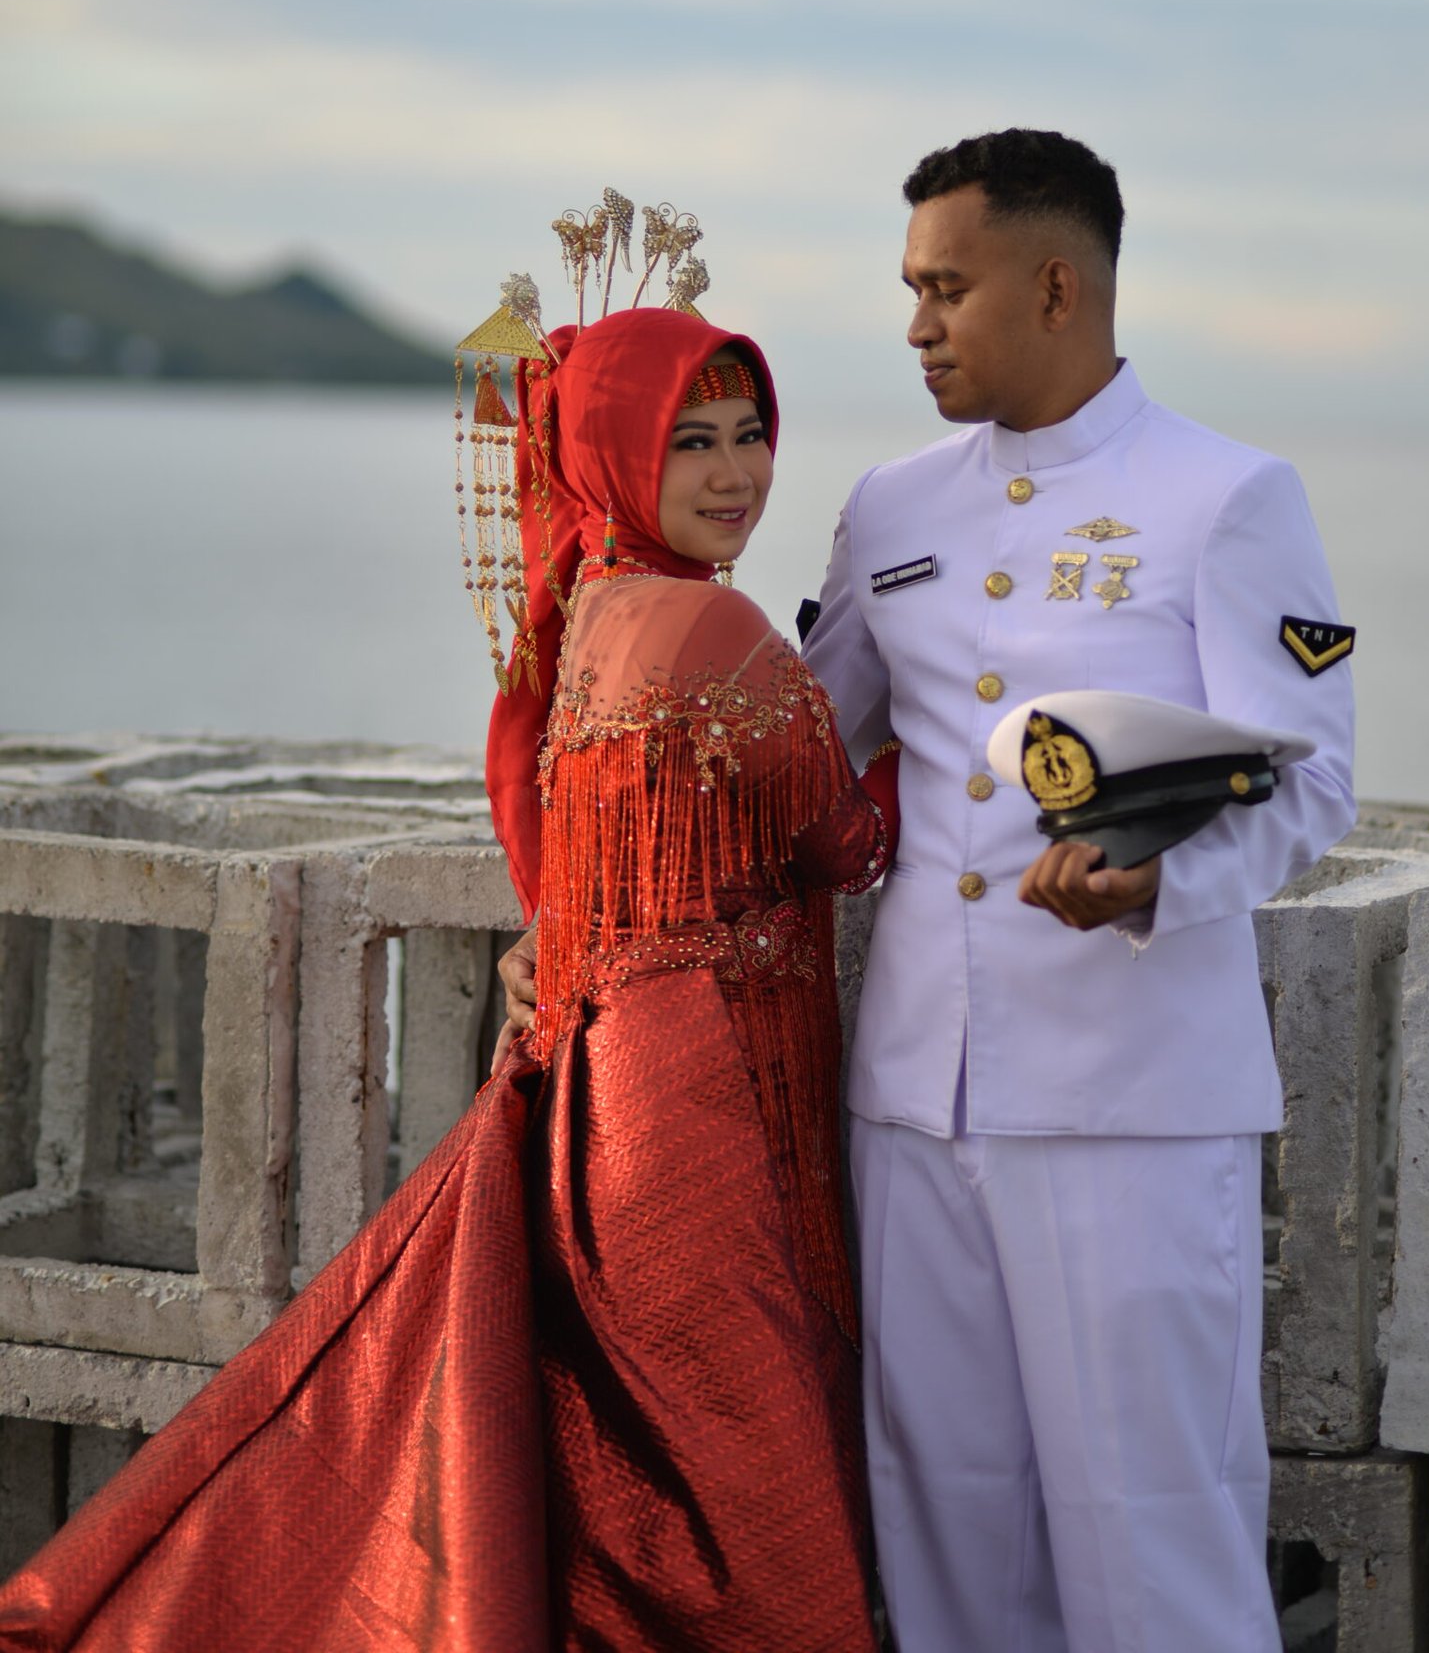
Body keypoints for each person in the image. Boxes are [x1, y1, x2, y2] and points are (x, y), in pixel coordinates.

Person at [0, 303, 890, 1653]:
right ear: (613, 457)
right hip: (703, 1109)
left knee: (637, 1477)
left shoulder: (588, 617)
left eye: (749, 434)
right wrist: (953, 738)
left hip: (598, 1088)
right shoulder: (722, 631)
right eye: (692, 442)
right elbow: (849, 843)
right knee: (732, 1493)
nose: (736, 474)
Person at [802, 127, 1357, 1653]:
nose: (917, 327)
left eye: (946, 290)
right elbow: (799, 752)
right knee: (944, 1523)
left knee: (1151, 1532)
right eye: (911, 292)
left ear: (1057, 286)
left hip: (1133, 1098)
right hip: (919, 1097)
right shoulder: (890, 507)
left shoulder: (1226, 497)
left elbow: (1311, 781)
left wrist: (1152, 882)